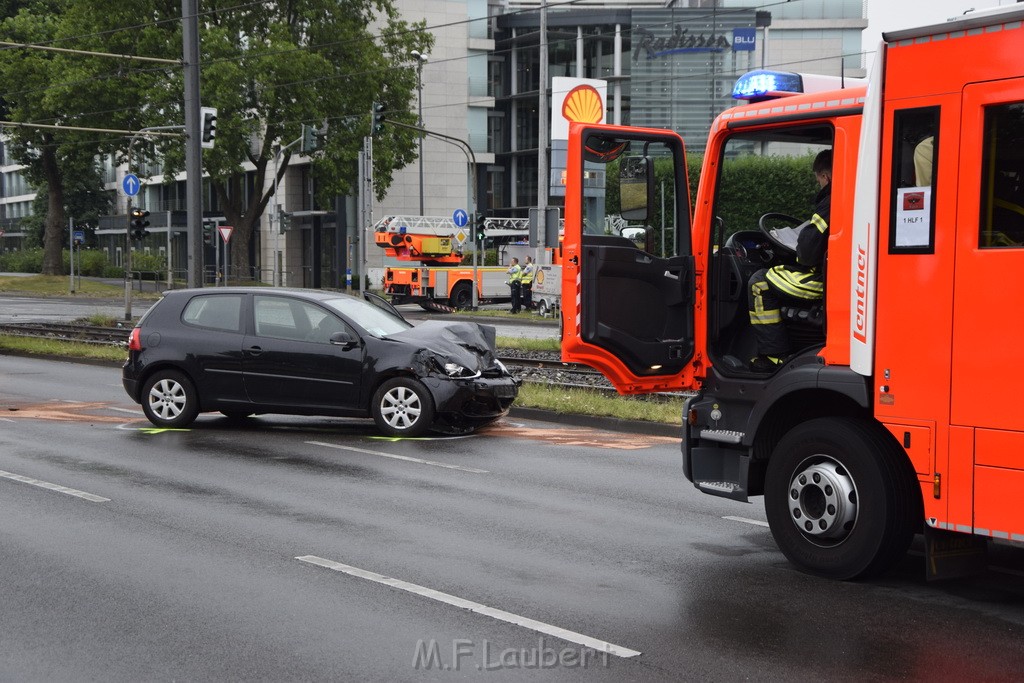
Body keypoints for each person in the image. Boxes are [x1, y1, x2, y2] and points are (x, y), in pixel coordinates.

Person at [747, 149, 832, 372]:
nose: (820, 185)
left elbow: (807, 253)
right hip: (838, 277)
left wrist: (797, 243)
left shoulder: (830, 201)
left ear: (825, 177)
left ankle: (774, 357)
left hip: (826, 282)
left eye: (818, 180)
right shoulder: (849, 195)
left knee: (759, 281)